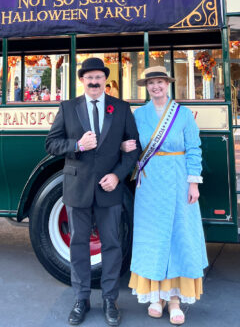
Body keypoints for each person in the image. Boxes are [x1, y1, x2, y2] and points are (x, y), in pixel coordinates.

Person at [46, 57, 139, 327]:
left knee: (112, 244)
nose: (94, 82)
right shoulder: (68, 107)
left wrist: (118, 175)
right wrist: (78, 144)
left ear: (104, 80)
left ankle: (110, 299)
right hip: (78, 187)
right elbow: (51, 144)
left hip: (109, 189)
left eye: (98, 77)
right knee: (78, 245)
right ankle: (81, 298)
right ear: (82, 80)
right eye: (89, 78)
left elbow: (132, 149)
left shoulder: (120, 108)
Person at [122, 66, 208, 325]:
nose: (155, 86)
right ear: (146, 86)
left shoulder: (182, 114)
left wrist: (193, 183)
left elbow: (194, 148)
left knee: (177, 236)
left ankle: (174, 300)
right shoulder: (140, 114)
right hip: (149, 185)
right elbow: (133, 145)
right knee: (153, 236)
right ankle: (155, 297)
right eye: (151, 83)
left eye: (159, 82)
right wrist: (125, 147)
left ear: (167, 84)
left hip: (178, 181)